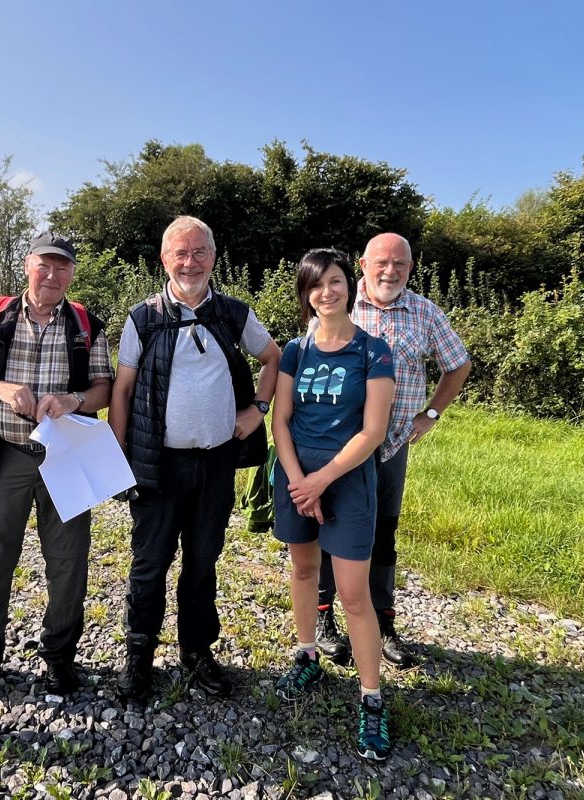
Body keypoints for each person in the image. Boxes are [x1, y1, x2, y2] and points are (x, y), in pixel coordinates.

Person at [109, 216, 281, 701]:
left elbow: (275, 358)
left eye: (199, 251)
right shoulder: (143, 317)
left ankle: (197, 651)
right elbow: (121, 390)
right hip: (157, 465)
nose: (190, 262)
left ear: (213, 255)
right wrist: (118, 454)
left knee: (203, 562)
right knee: (149, 565)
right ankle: (138, 655)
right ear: (164, 260)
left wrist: (258, 410)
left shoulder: (233, 314)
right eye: (180, 253)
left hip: (216, 465)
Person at [0, 231, 112, 704]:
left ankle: (60, 658)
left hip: (67, 458)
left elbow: (104, 387)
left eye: (63, 267)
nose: (53, 274)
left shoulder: (86, 325)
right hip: (6, 456)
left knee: (68, 564)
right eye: (45, 264)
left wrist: (75, 399)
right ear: (27, 266)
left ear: (72, 274)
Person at [316, 232, 472, 668]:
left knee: (383, 536)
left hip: (390, 447)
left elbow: (458, 364)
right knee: (330, 528)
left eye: (400, 263)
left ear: (410, 266)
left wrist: (432, 414)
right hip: (337, 447)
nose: (390, 271)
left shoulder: (424, 312)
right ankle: (324, 619)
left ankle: (384, 624)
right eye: (381, 262)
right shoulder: (338, 302)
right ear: (362, 264)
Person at [270, 248, 396, 760]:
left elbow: (374, 431)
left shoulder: (374, 351)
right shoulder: (294, 351)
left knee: (353, 593)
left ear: (351, 285)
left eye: (336, 281)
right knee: (303, 570)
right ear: (306, 294)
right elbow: (281, 421)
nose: (327, 292)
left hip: (345, 480)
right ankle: (307, 655)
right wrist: (301, 482)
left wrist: (322, 480)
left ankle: (372, 698)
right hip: (297, 477)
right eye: (316, 285)